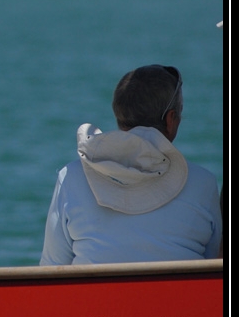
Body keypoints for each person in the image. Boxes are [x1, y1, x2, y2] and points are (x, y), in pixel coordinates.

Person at [40, 64, 221, 265]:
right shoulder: (203, 184)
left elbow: (52, 267)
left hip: (96, 297)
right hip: (177, 296)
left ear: (119, 117)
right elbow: (212, 266)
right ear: (171, 120)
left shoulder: (71, 176)